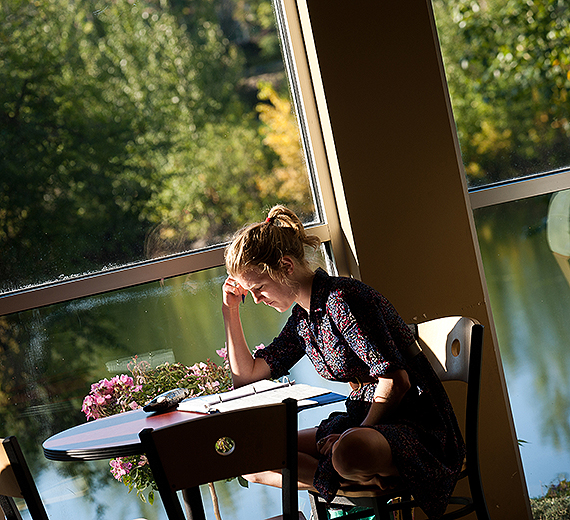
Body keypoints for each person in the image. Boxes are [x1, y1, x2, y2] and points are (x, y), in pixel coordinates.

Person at [221, 205, 465, 519]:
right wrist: (230, 312)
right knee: (251, 455)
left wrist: (356, 432)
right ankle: (340, 476)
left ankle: (341, 472)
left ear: (286, 266)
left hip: (413, 423)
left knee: (349, 450)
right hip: (361, 421)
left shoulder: (343, 299)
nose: (256, 299)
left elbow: (397, 381)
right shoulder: (303, 319)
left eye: (259, 289)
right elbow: (248, 378)